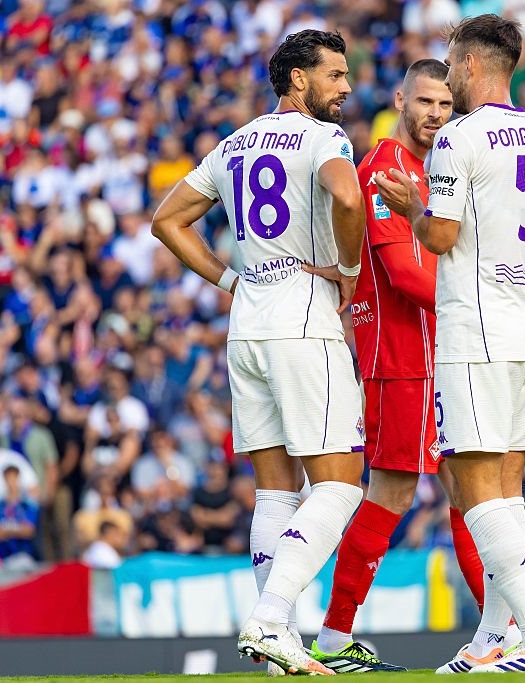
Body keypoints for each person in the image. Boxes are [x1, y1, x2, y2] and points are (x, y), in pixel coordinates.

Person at [151, 29, 367, 675]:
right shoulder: (324, 138)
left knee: (275, 493)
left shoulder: (235, 143)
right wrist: (348, 269)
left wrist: (229, 281)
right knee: (339, 484)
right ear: (298, 79)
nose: (346, 86)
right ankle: (271, 618)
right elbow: (348, 195)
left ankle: (280, 651)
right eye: (334, 74)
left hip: (247, 325)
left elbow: (167, 220)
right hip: (303, 321)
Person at [375, 14, 525, 673]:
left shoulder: (459, 138)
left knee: (475, 489)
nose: (448, 79)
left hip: (477, 333)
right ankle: (494, 635)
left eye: (449, 65)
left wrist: (411, 207)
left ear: (468, 65)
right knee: (506, 491)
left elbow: (439, 237)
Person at [309, 60, 484, 673]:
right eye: (425, 102)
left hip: (437, 352)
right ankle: (334, 636)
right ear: (400, 100)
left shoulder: (429, 171)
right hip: (401, 357)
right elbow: (407, 275)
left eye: (445, 105)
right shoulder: (384, 171)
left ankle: (505, 630)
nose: (435, 114)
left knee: (467, 488)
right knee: (395, 490)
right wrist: (476, 297)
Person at [0, 465, 40, 561]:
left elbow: (29, 531)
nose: (11, 482)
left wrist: (3, 530)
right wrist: (16, 529)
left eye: (13, 478)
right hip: (2, 557)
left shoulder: (27, 504)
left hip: (24, 555)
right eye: (8, 478)